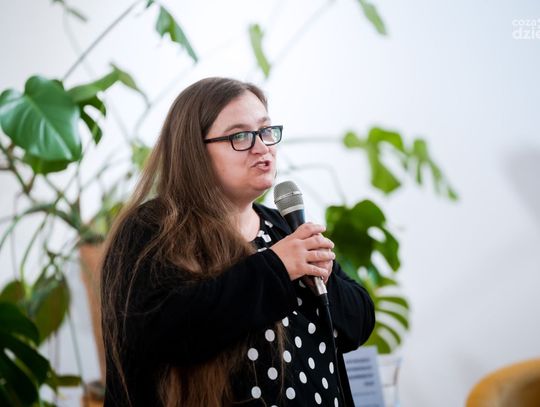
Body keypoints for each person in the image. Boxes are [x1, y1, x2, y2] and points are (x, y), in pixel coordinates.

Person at [101, 77, 375, 407]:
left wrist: (325, 277)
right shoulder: (152, 229)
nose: (262, 147)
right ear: (194, 150)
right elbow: (162, 333)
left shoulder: (282, 228)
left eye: (265, 131)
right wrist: (276, 268)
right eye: (240, 136)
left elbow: (358, 326)